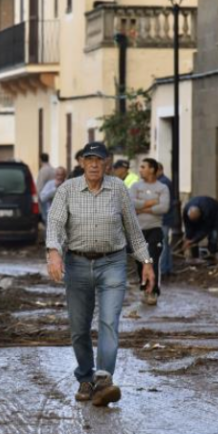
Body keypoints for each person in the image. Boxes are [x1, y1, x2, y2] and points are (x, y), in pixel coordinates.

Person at [47, 141, 154, 407]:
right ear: (82, 162)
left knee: (109, 322)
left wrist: (147, 262)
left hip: (113, 263)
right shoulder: (68, 190)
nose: (94, 164)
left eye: (99, 159)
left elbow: (132, 227)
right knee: (79, 328)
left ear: (107, 163)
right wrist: (54, 252)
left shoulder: (118, 188)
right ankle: (85, 377)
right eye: (89, 159)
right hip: (77, 264)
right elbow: (56, 223)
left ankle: (103, 379)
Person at [130, 158, 169, 305]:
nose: (140, 170)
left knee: (152, 260)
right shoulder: (135, 186)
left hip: (155, 229)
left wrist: (142, 208)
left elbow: (164, 208)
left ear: (152, 169)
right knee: (140, 261)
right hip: (138, 230)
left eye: (143, 167)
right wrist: (152, 202)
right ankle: (144, 288)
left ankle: (153, 291)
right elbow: (130, 202)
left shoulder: (162, 188)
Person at [156, 163, 175, 276]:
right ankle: (167, 267)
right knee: (165, 244)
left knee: (161, 244)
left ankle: (162, 269)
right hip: (164, 218)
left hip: (162, 218)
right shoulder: (164, 182)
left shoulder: (163, 183)